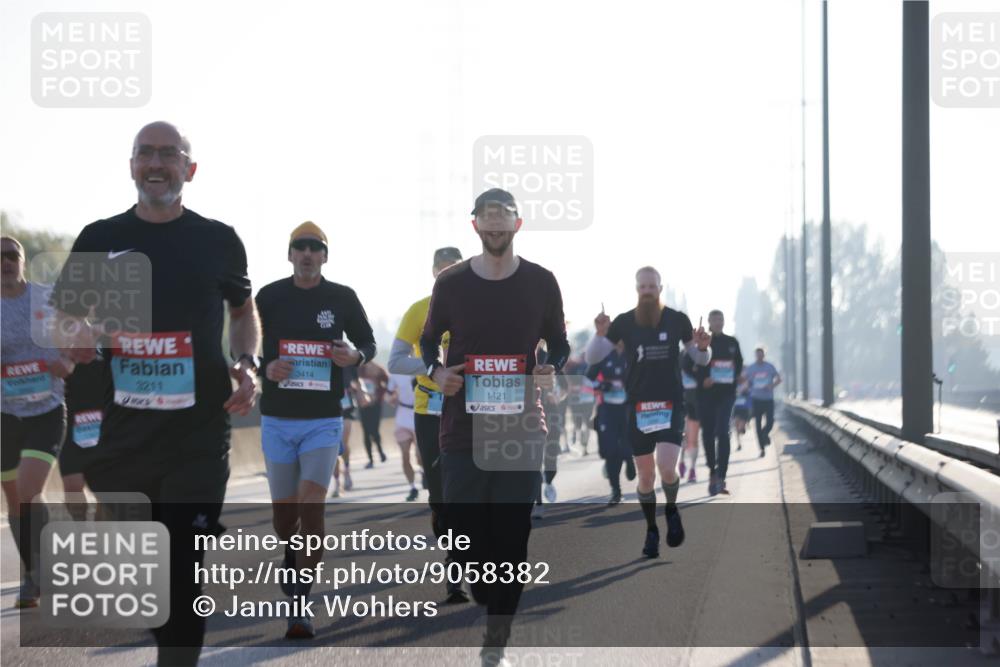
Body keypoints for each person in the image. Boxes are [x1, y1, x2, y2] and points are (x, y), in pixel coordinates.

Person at [51, 121, 260, 666]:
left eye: (170, 153)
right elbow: (64, 323)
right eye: (146, 153)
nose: (157, 163)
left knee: (184, 565)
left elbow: (243, 312)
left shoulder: (217, 239)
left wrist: (247, 363)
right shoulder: (100, 238)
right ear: (131, 166)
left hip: (199, 429)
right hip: (123, 434)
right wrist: (93, 337)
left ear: (190, 169)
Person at [421, 188, 569, 666]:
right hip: (462, 429)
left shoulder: (542, 282)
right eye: (487, 218)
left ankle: (495, 644)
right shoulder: (452, 283)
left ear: (517, 225)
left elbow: (560, 343)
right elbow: (427, 344)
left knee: (511, 537)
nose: (495, 225)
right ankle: (483, 584)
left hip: (522, 427)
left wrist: (552, 366)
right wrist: (436, 372)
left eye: (503, 217)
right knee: (466, 536)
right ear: (476, 227)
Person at [255, 221, 376, 639]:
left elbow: (368, 343)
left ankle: (301, 604)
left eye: (315, 247)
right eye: (300, 247)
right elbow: (246, 347)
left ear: (325, 256)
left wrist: (355, 355)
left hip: (324, 420)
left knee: (312, 507)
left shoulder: (341, 298)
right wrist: (263, 368)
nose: (307, 253)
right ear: (290, 255)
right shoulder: (268, 296)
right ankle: (292, 560)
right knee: (285, 520)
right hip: (276, 419)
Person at [586, 268, 711, 558]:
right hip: (638, 405)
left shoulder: (677, 319)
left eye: (651, 286)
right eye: (642, 286)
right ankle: (651, 530)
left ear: (660, 288)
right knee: (645, 476)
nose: (647, 290)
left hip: (671, 404)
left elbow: (699, 357)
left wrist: (704, 348)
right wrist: (600, 334)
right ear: (636, 289)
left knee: (667, 467)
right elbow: (593, 356)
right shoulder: (624, 322)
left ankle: (671, 510)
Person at [387, 245, 467, 604]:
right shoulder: (419, 311)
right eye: (443, 271)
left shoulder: (477, 309)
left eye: (456, 270)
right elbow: (395, 361)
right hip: (429, 410)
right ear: (434, 273)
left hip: (470, 411)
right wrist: (434, 370)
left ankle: (464, 562)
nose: (448, 277)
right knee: (439, 495)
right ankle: (453, 557)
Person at [1, 236, 71, 608]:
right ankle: (33, 574)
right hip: (4, 415)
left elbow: (80, 336)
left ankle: (40, 573)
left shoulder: (46, 297)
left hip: (46, 408)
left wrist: (68, 363)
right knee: (15, 499)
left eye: (13, 255)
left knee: (29, 488)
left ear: (23, 261)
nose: (6, 262)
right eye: (0, 257)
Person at [688, 310, 743, 496]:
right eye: (715, 319)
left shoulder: (732, 343)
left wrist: (734, 376)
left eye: (721, 319)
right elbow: (686, 363)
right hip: (705, 395)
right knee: (709, 434)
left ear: (724, 321)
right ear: (709, 322)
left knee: (723, 432)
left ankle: (722, 476)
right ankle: (712, 471)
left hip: (726, 394)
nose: (718, 322)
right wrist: (702, 378)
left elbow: (739, 365)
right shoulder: (702, 341)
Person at [59, 351, 110, 521]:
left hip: (107, 425)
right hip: (72, 425)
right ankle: (81, 534)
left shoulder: (108, 346)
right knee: (72, 489)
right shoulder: (59, 347)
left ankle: (101, 539)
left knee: (105, 497)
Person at [586, 340, 633, 505]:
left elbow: (645, 378)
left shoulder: (633, 355)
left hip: (627, 409)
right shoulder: (603, 356)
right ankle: (616, 490)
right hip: (607, 409)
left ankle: (629, 459)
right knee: (610, 450)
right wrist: (601, 385)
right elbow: (588, 378)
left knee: (627, 444)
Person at [532, 339, 569, 520]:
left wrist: (557, 396)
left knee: (551, 454)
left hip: (552, 412)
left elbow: (565, 387)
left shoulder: (549, 356)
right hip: (532, 414)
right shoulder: (522, 353)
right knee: (535, 459)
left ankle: (549, 480)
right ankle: (538, 502)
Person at [387, 373, 420, 502]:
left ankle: (423, 472)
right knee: (405, 455)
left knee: (420, 456)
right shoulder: (395, 373)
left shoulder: (420, 365)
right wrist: (390, 398)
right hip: (402, 417)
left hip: (420, 414)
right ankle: (412, 487)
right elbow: (388, 395)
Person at [745, 346, 781, 456]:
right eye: (757, 355)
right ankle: (762, 449)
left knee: (770, 421)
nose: (759, 357)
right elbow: (747, 382)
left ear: (764, 355)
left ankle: (765, 434)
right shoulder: (751, 368)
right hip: (756, 399)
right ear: (755, 356)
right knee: (757, 424)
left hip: (768, 399)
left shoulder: (770, 367)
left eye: (761, 354)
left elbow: (779, 379)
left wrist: (771, 385)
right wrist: (748, 388)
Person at [331, 365, 359, 497]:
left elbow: (356, 380)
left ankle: (347, 471)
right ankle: (337, 483)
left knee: (343, 443)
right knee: (334, 447)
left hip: (346, 406)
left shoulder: (347, 359)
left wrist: (361, 392)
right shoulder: (322, 357)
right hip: (329, 406)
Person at [357, 361, 389, 467]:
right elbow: (353, 383)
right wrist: (360, 395)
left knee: (374, 429)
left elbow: (388, 384)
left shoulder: (379, 369)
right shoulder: (359, 369)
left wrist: (379, 395)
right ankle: (371, 459)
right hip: (364, 405)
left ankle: (380, 452)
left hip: (376, 404)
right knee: (366, 431)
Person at [563, 354, 595, 454]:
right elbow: (567, 385)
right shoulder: (569, 368)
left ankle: (584, 446)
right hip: (576, 400)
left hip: (586, 399)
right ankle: (583, 445)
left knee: (585, 423)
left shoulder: (585, 366)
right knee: (580, 424)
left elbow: (592, 382)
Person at [678, 349, 700, 483]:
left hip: (696, 403)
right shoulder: (679, 354)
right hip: (680, 401)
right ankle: (681, 461)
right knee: (682, 436)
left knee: (693, 438)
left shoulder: (700, 356)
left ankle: (692, 469)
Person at [732, 380, 751, 452]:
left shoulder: (748, 390)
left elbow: (750, 402)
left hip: (744, 410)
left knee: (740, 427)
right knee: (736, 427)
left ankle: (743, 428)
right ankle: (739, 444)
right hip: (736, 409)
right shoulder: (735, 385)